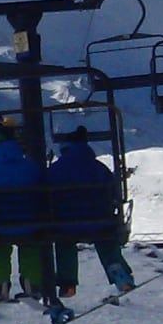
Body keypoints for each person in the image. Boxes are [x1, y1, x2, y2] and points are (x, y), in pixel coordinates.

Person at [48, 126, 136, 295]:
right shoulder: (99, 168)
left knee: (65, 244)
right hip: (100, 220)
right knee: (106, 242)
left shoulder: (56, 169)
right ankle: (120, 274)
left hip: (67, 223)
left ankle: (67, 284)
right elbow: (114, 193)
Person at [0, 122, 43, 301]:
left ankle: (1, 284)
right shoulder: (30, 166)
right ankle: (31, 282)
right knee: (29, 246)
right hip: (29, 222)